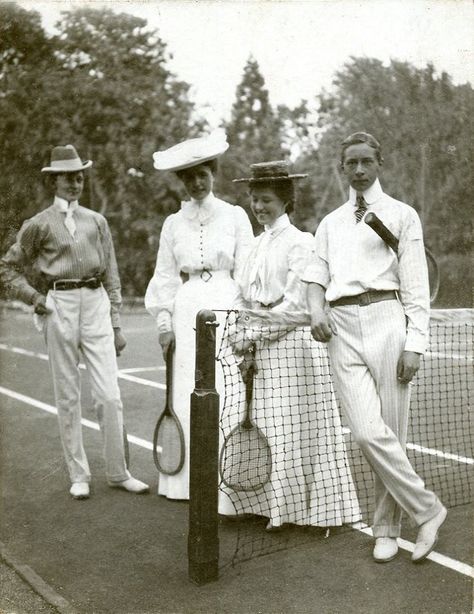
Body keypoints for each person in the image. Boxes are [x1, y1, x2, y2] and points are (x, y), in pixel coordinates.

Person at [303, 132, 446, 562]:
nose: (360, 170)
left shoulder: (403, 216)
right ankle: (428, 509)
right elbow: (315, 276)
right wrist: (316, 311)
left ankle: (386, 528)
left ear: (379, 163)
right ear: (342, 168)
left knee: (392, 434)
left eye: (367, 161)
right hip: (341, 326)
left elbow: (417, 287)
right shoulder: (329, 223)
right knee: (366, 431)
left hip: (388, 321)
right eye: (352, 163)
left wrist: (415, 344)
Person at [0, 144, 149, 499]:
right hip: (59, 305)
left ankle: (118, 471)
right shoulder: (38, 224)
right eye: (68, 177)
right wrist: (34, 298)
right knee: (67, 395)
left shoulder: (97, 221)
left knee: (109, 396)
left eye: (80, 176)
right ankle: (78, 474)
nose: (75, 182)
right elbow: (7, 269)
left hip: (96, 303)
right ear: (54, 181)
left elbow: (111, 274)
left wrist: (116, 325)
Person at [227, 160, 362, 530]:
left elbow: (298, 305)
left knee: (291, 425)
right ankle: (261, 503)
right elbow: (241, 296)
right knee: (262, 420)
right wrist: (238, 329)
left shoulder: (303, 242)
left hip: (293, 348)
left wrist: (253, 333)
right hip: (259, 346)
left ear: (286, 201)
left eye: (266, 199)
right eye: (254, 199)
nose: (258, 207)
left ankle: (290, 511)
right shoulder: (254, 246)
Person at [145, 130, 254, 502]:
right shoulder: (172, 224)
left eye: (202, 173)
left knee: (228, 394)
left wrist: (243, 320)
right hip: (186, 311)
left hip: (226, 306)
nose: (196, 181)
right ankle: (186, 485)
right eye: (188, 176)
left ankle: (227, 492)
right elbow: (163, 277)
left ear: (213, 172)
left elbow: (248, 273)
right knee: (187, 394)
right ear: (182, 180)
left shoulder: (236, 216)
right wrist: (164, 325)